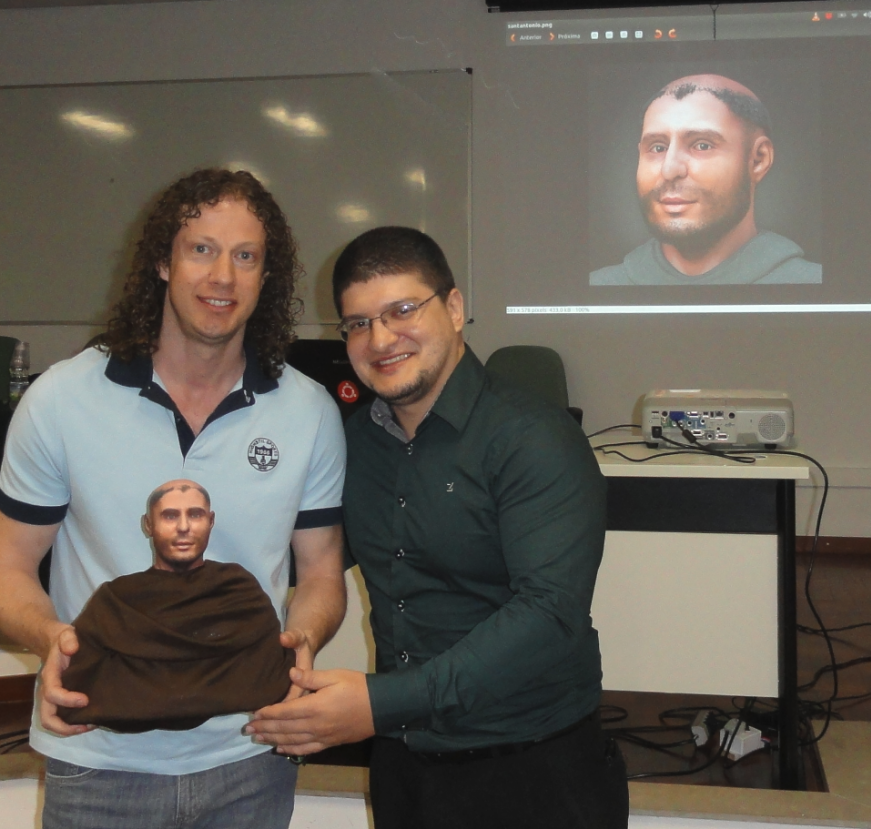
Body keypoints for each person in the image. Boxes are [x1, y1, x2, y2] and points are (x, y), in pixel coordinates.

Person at [0, 168, 347, 829]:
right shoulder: (62, 400)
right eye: (200, 248)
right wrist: (56, 639)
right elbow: (4, 572)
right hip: (98, 759)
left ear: (268, 277)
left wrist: (303, 636)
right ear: (161, 262)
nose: (222, 278)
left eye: (245, 256)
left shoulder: (308, 411)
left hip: (252, 750)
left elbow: (321, 572)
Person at [245, 227, 628, 829]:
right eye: (357, 323)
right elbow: (303, 560)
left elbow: (551, 615)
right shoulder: (354, 443)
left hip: (533, 771)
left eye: (402, 310)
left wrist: (378, 704)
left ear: (453, 308)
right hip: (407, 767)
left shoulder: (535, 437)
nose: (380, 339)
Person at [57, 480, 295, 734]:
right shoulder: (116, 600)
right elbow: (83, 682)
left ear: (211, 521)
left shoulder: (239, 591)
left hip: (229, 751)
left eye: (195, 515)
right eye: (170, 516)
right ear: (148, 525)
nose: (184, 527)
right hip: (114, 757)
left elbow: (268, 672)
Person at [590, 73, 822, 286]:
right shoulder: (600, 285)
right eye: (658, 147)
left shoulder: (811, 285)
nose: (669, 169)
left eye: (702, 145)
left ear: (758, 160)